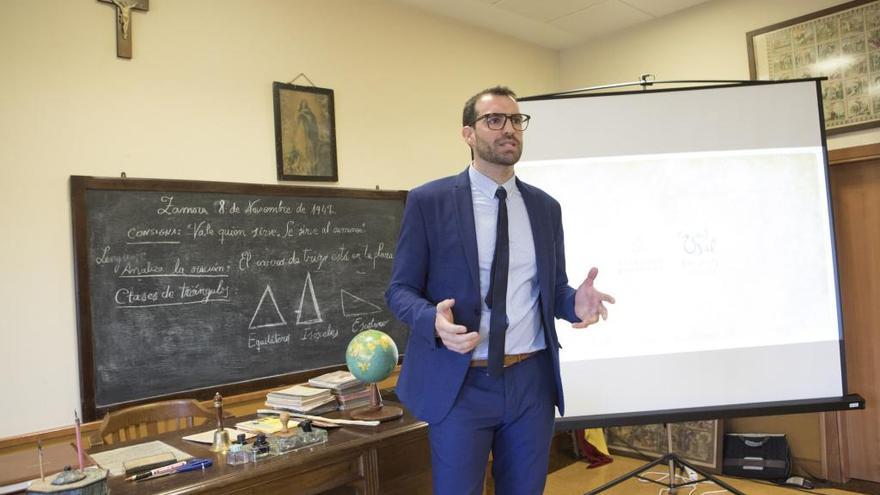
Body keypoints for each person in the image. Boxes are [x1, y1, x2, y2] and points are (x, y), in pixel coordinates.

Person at [385, 86, 615, 495]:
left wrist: (573, 302)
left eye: (515, 120)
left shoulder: (545, 207)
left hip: (531, 380)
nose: (508, 129)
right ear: (468, 134)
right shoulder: (429, 201)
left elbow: (551, 289)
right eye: (494, 120)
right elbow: (400, 290)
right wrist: (433, 322)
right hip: (460, 383)